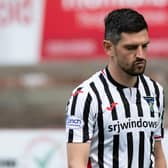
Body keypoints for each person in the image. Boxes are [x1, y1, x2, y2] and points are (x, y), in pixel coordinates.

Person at [65, 8, 167, 168]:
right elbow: (75, 163)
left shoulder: (155, 91)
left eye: (144, 46)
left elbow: (158, 152)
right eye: (131, 48)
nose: (141, 55)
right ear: (108, 48)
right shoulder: (86, 96)